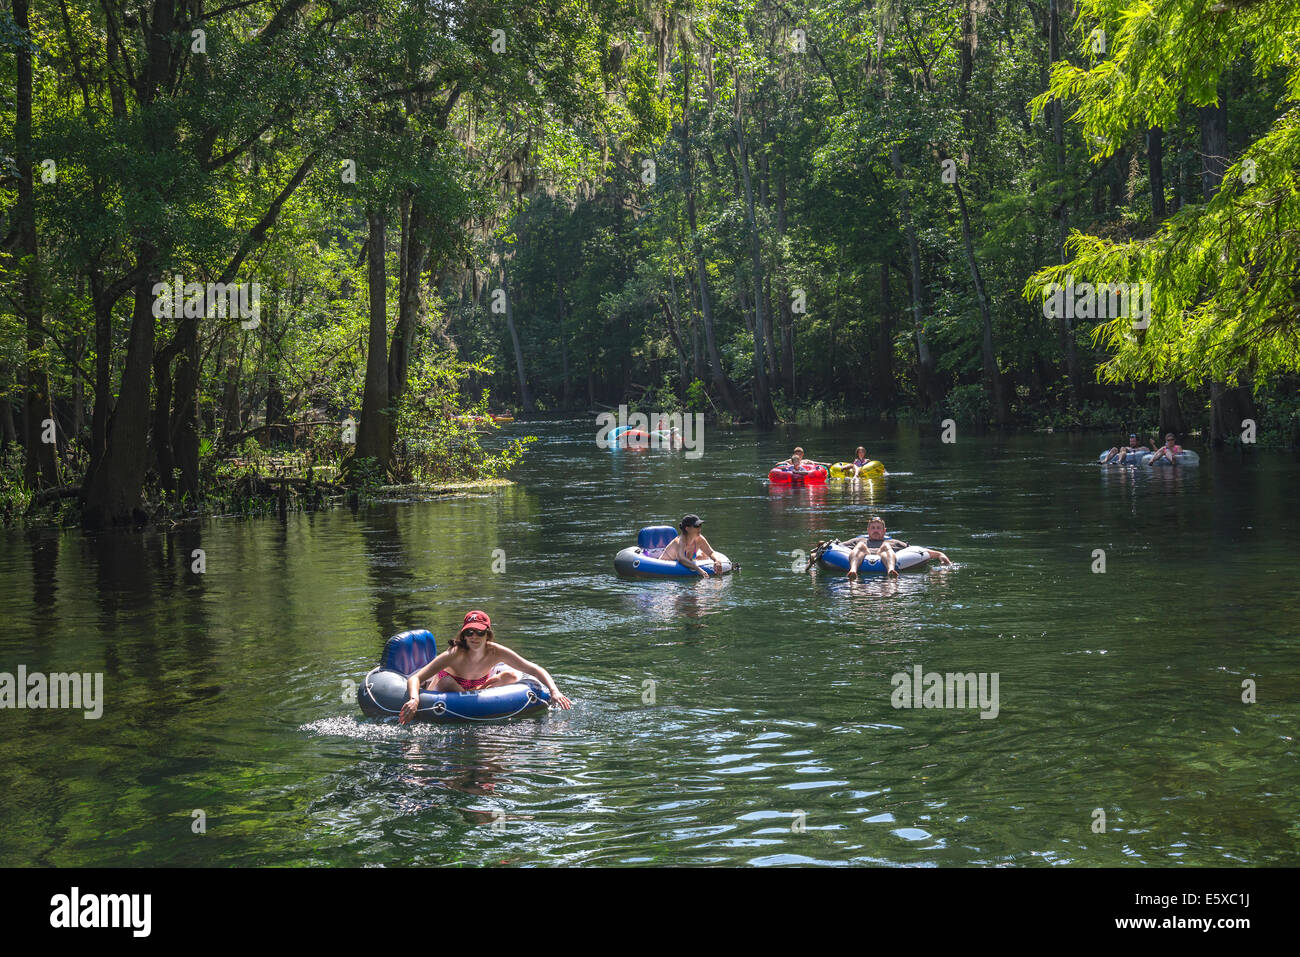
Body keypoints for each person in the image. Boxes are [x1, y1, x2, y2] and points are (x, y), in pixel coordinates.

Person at [398, 611, 572, 722]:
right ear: (464, 635)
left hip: (475, 688)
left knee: (511, 676)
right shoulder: (454, 654)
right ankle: (477, 690)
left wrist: (554, 691)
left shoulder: (495, 652)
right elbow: (416, 677)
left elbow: (533, 669)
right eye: (469, 632)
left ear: (488, 634)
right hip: (445, 688)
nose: (474, 637)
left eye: (480, 632)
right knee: (447, 683)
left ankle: (482, 688)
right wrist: (414, 699)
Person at [840, 517, 952, 580]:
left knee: (886, 546)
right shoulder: (858, 541)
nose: (875, 530)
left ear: (884, 531)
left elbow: (917, 550)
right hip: (862, 555)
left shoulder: (893, 542)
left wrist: (939, 554)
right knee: (860, 546)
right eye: (873, 528)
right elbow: (837, 547)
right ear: (868, 530)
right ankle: (853, 571)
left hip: (884, 555)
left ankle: (890, 570)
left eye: (878, 528)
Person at [659, 513, 719, 577]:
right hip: (666, 569)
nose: (699, 528)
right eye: (696, 526)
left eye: (700, 525)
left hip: (684, 573)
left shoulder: (699, 539)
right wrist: (698, 569)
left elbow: (710, 552)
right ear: (687, 528)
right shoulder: (680, 541)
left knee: (702, 556)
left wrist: (716, 560)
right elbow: (681, 559)